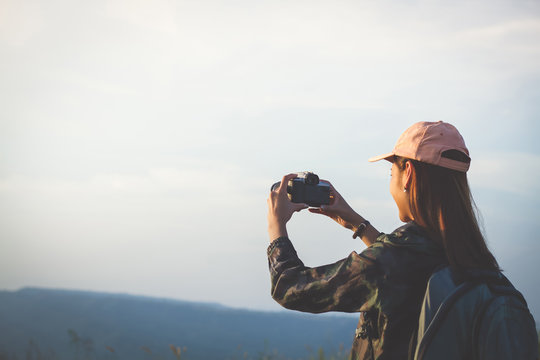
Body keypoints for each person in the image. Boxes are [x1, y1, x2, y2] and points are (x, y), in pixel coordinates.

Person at [265, 121, 513, 359]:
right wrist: (357, 224)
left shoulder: (390, 262)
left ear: (408, 175)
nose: (391, 182)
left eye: (391, 171)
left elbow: (290, 288)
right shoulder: (474, 258)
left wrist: (276, 228)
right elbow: (403, 265)